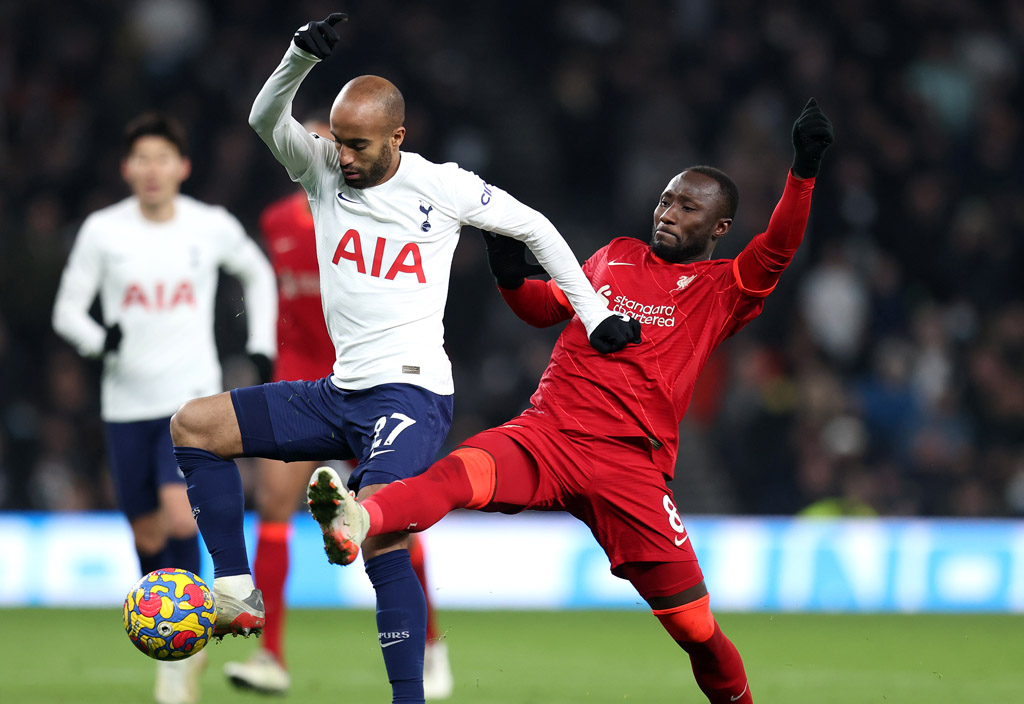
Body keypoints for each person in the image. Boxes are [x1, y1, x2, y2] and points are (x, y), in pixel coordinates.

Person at [168, 12, 637, 704]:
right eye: (337, 141)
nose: (344, 156)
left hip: (410, 397)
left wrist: (593, 312)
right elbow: (265, 118)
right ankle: (238, 591)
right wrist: (297, 59)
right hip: (336, 392)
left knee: (384, 530)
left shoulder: (441, 187)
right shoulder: (323, 169)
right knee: (194, 427)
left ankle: (396, 658)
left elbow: (533, 225)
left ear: (398, 137)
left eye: (358, 145)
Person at [306, 98, 835, 704]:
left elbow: (777, 248)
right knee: (459, 472)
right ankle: (359, 518)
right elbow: (542, 308)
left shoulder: (723, 289)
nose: (667, 213)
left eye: (688, 207)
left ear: (719, 229)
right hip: (548, 435)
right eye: (665, 199)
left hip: (631, 467)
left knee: (693, 628)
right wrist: (510, 279)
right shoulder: (614, 256)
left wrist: (803, 171)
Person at [223, 115, 454, 699]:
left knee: (386, 515)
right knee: (274, 502)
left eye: (335, 141)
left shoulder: (372, 210)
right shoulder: (276, 220)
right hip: (303, 371)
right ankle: (270, 655)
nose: (328, 151)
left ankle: (430, 644)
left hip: (374, 377)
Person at [52, 112, 277, 704]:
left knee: (181, 519)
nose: (153, 170)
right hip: (125, 403)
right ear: (127, 169)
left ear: (183, 167)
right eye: (141, 160)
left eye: (163, 158)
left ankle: (184, 650)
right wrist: (100, 341)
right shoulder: (103, 231)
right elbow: (67, 311)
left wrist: (261, 346)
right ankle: (175, 638)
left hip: (189, 405)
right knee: (148, 531)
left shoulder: (210, 225)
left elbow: (257, 274)